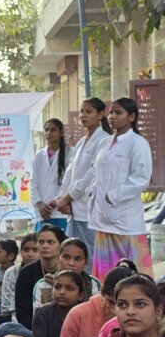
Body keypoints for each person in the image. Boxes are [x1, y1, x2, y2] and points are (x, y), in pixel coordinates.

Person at [88, 97, 154, 282]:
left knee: (132, 272)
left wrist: (113, 196)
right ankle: (107, 298)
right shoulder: (104, 143)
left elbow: (141, 178)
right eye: (111, 112)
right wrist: (93, 195)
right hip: (102, 216)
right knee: (106, 273)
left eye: (118, 113)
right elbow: (96, 173)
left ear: (131, 117)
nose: (112, 116)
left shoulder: (138, 143)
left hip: (125, 219)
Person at [53, 97, 111, 268]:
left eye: (88, 112)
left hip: (88, 209)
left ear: (100, 114)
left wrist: (68, 197)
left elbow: (92, 174)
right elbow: (70, 173)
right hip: (73, 210)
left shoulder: (105, 139)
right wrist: (61, 198)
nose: (83, 115)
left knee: (90, 258)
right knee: (72, 257)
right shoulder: (81, 142)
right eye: (81, 111)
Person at [2, 269, 85, 337]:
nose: (62, 292)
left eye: (69, 289)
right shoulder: (43, 313)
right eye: (57, 287)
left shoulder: (87, 314)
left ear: (81, 295)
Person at [30, 118, 70, 231]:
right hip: (42, 212)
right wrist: (39, 203)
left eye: (53, 130)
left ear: (61, 132)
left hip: (60, 212)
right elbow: (33, 183)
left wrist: (55, 202)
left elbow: (69, 182)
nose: (48, 133)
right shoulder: (39, 156)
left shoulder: (70, 152)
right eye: (46, 130)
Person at [0, 232, 39, 329]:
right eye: (26, 250)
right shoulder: (11, 272)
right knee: (0, 321)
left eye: (35, 250)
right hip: (18, 317)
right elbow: (7, 308)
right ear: (21, 252)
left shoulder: (46, 271)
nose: (30, 254)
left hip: (42, 319)